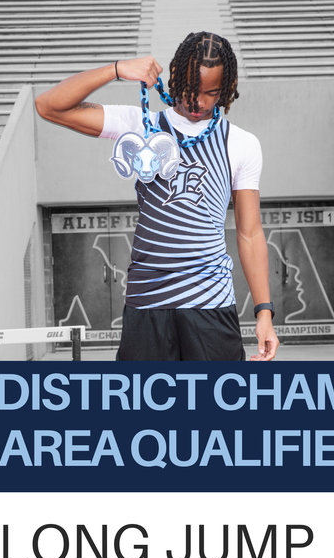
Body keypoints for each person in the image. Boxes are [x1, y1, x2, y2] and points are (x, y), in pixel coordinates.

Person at [35, 31, 278, 363]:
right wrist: (118, 69)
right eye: (192, 89)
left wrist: (264, 311)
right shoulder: (140, 124)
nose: (200, 102)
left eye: (211, 93)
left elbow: (249, 233)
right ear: (176, 77)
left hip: (210, 305)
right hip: (147, 304)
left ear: (226, 90)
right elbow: (48, 106)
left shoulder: (241, 143)